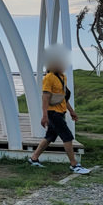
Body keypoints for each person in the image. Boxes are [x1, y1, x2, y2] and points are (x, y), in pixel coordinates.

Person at [29, 46, 90, 174]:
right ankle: (74, 165)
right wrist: (44, 115)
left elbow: (62, 98)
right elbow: (45, 97)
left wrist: (71, 111)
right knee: (67, 136)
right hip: (53, 113)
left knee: (50, 136)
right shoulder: (49, 77)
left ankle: (34, 158)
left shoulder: (62, 77)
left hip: (61, 112)